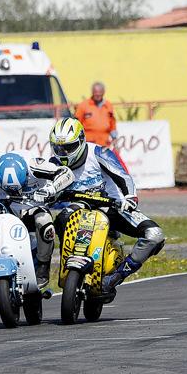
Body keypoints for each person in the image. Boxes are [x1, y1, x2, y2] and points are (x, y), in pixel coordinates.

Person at [48, 117, 165, 294]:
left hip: (113, 206)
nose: (63, 153)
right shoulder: (53, 163)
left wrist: (130, 198)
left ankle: (115, 277)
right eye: (58, 148)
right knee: (60, 219)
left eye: (68, 147)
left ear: (81, 141)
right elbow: (43, 187)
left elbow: (123, 177)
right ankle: (69, 265)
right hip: (80, 207)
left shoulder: (99, 153)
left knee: (155, 235)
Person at [0, 151, 74, 288]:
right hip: (6, 209)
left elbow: (67, 173)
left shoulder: (36, 166)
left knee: (45, 224)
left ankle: (43, 266)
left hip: (34, 208)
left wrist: (51, 189)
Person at [74, 82, 117, 148]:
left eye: (100, 92)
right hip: (89, 144)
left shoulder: (108, 105)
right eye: (95, 92)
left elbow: (112, 123)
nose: (97, 94)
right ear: (92, 92)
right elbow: (76, 124)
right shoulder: (83, 105)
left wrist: (114, 138)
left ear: (103, 92)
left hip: (104, 144)